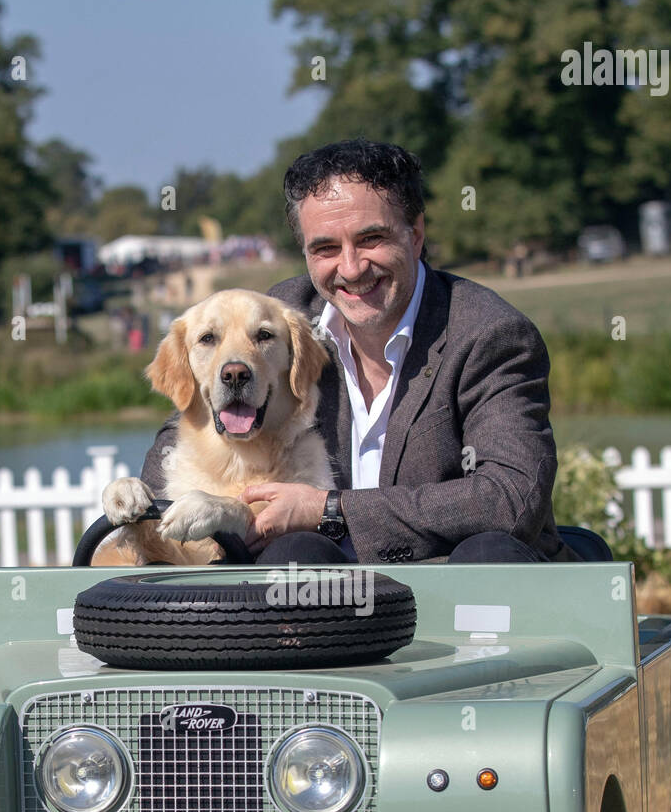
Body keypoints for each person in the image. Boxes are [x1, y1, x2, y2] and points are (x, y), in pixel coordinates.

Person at [140, 138, 570, 566]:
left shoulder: (489, 333)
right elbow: (190, 422)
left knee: (484, 554)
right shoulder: (277, 319)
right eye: (325, 248)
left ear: (416, 234)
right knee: (295, 554)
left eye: (371, 239)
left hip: (464, 582)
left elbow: (511, 497)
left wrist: (331, 510)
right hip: (324, 599)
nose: (351, 268)